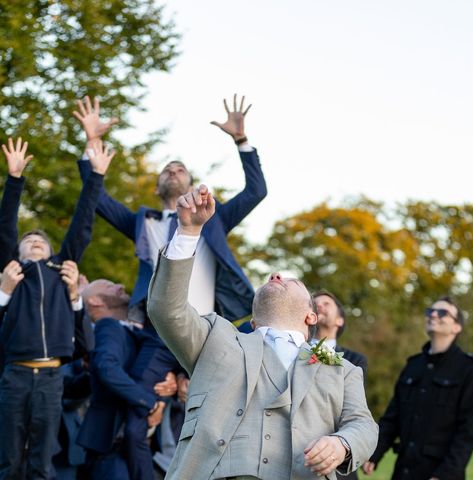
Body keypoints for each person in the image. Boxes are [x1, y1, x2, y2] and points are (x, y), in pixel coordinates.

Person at [146, 185, 378, 479]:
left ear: (311, 315)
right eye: (269, 278)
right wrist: (188, 231)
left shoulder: (342, 370)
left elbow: (364, 425)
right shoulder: (216, 338)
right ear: (253, 322)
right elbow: (166, 309)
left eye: (291, 280)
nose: (275, 275)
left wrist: (342, 443)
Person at [73, 94, 267, 323]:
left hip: (205, 327)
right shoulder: (143, 223)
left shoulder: (214, 217)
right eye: (167, 170)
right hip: (156, 328)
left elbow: (256, 191)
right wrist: (92, 142)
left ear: (192, 185)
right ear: (156, 189)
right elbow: (97, 199)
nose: (173, 172)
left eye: (180, 170)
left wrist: (241, 140)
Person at [0, 137, 113, 479]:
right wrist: (15, 178)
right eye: (28, 240)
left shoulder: (63, 271)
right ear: (18, 253)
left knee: (42, 464)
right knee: (10, 463)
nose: (35, 241)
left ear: (49, 252)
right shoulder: (13, 274)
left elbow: (82, 224)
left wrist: (96, 176)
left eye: (41, 241)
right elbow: (4, 228)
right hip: (15, 375)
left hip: (50, 377)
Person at [0, 260, 89, 479]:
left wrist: (75, 296)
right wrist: (4, 290)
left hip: (47, 442)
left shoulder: (61, 326)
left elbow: (77, 372)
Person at [363, 297, 473, 480]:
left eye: (443, 313)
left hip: (439, 473)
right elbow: (392, 417)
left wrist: (445, 475)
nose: (434, 315)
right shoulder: (413, 365)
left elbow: (467, 431)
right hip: (403, 471)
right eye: (430, 311)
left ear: (456, 327)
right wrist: (375, 452)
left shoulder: (470, 369)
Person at [78, 278, 177, 479]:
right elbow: (107, 368)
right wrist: (150, 404)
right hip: (114, 444)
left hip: (128, 447)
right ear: (95, 301)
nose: (121, 286)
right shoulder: (108, 326)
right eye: (109, 285)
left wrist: (173, 380)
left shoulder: (131, 331)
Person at [312, 290, 368, 378]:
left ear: (339, 320)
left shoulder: (355, 360)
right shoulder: (295, 350)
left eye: (326, 304)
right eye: (314, 304)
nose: (318, 306)